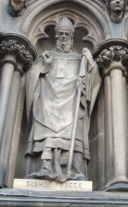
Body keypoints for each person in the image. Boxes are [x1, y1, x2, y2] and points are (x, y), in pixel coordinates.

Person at [25, 17, 101, 182]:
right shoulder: (47, 56)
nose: (63, 37)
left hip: (71, 105)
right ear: (56, 36)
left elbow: (93, 80)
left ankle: (72, 169)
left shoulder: (78, 58)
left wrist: (90, 63)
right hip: (48, 104)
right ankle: (45, 167)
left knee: (71, 135)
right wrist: (44, 66)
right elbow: (31, 78)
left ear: (72, 37)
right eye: (60, 34)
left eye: (67, 34)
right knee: (47, 134)